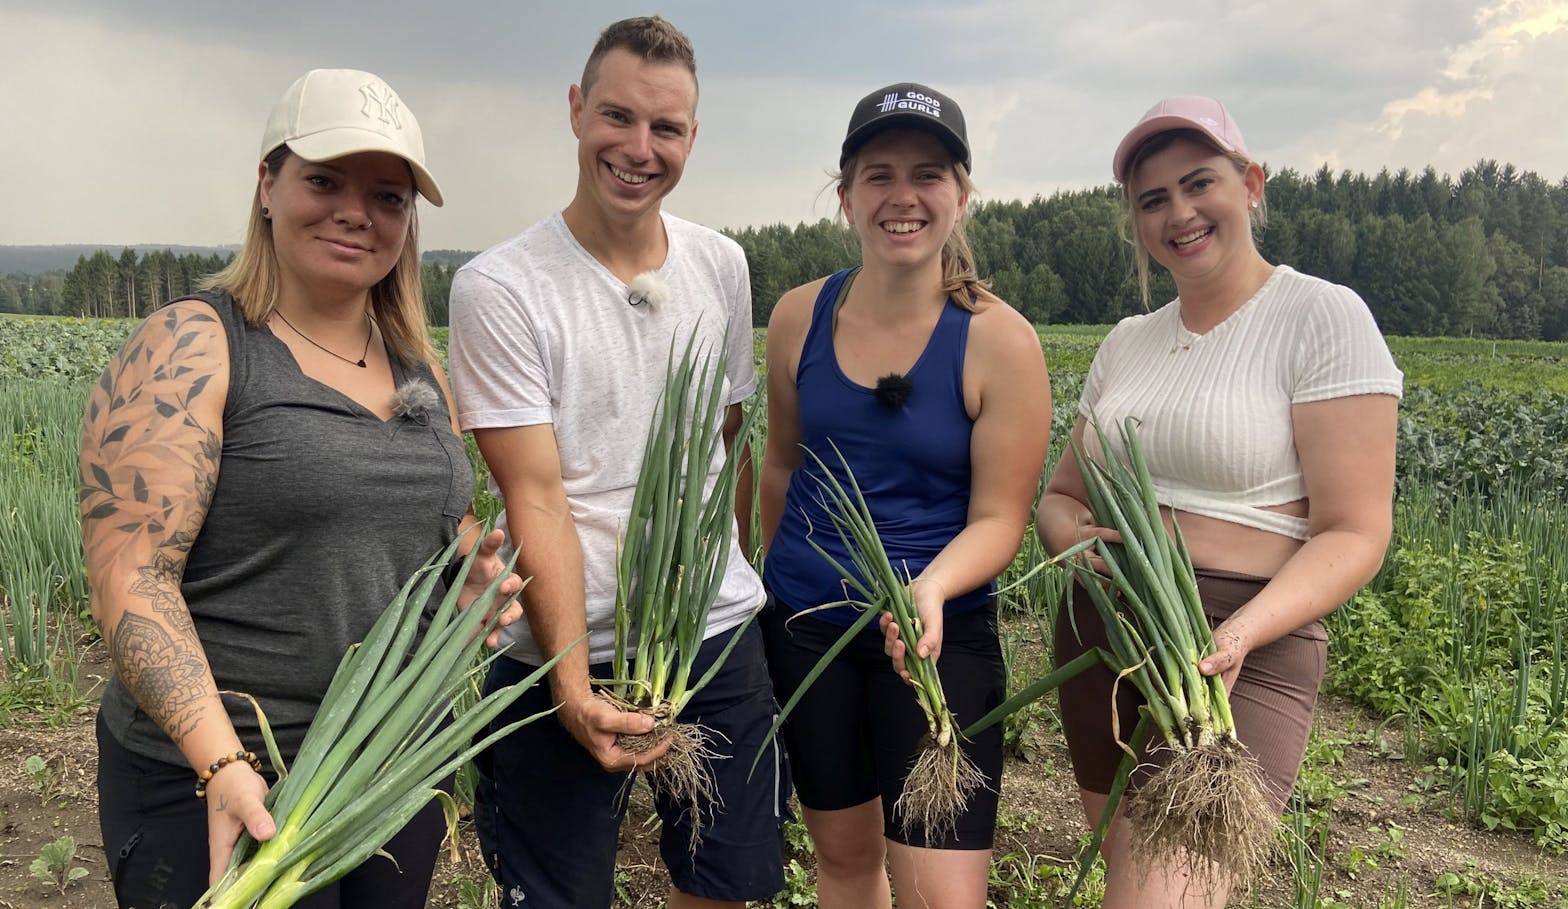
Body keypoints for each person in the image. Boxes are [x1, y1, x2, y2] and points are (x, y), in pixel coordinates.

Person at [81, 68, 520, 908]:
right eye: (324, 180)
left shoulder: (417, 359)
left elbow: (429, 515)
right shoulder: (194, 344)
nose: (357, 210)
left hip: (386, 762)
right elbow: (129, 574)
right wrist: (221, 762)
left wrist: (462, 568)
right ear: (267, 185)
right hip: (223, 778)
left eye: (388, 196)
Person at [448, 16, 788, 909]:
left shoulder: (720, 265)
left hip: (713, 637)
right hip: (565, 645)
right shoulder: (502, 287)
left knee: (725, 878)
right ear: (574, 111)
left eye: (665, 128)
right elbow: (536, 494)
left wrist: (732, 579)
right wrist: (567, 684)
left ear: (691, 137)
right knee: (557, 892)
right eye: (617, 118)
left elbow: (725, 446)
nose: (639, 149)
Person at [1037, 96, 1402, 908]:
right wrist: (1074, 540)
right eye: (1152, 198)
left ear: (1251, 184)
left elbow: (1356, 530)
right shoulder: (1126, 341)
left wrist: (1238, 634)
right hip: (1106, 636)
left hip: (1237, 648)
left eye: (1199, 183)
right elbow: (1060, 498)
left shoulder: (1322, 317)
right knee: (1126, 887)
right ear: (1135, 219)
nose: (1179, 212)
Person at [758, 83, 1053, 909]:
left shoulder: (1000, 340)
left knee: (938, 894)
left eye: (928, 174)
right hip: (810, 631)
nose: (903, 197)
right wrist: (776, 589)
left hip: (936, 636)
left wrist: (932, 586)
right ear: (846, 195)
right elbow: (781, 466)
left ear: (961, 196)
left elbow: (1001, 518)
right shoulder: (797, 318)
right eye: (878, 174)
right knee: (845, 862)